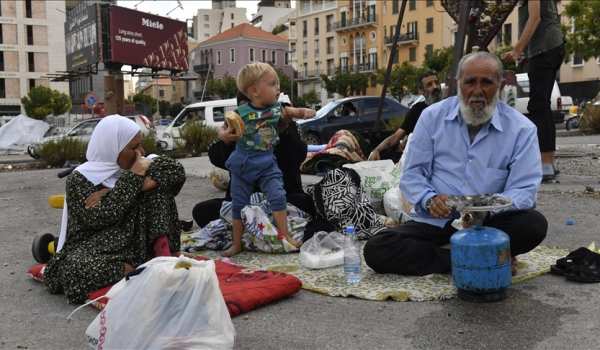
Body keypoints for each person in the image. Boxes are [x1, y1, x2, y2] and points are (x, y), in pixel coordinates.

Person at [363, 51, 548, 276]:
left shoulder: (522, 129)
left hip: (489, 223)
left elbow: (524, 190)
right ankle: (470, 259)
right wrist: (429, 200)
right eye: (470, 82)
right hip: (435, 221)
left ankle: (463, 252)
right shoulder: (431, 117)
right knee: (376, 248)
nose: (477, 91)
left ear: (499, 85)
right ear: (458, 83)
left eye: (487, 82)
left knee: (534, 225)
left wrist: (484, 211)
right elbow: (412, 175)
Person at [44, 115, 185, 304]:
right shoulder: (81, 178)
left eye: (140, 145)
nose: (141, 152)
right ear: (113, 148)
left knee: (159, 189)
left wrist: (121, 188)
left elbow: (176, 172)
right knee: (72, 269)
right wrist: (133, 178)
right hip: (101, 246)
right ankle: (130, 271)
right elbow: (102, 216)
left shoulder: (141, 163)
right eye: (133, 148)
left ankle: (163, 256)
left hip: (138, 242)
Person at [222, 62, 315, 257]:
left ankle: (284, 236)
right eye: (273, 84)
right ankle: (236, 243)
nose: (278, 88)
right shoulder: (239, 113)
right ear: (255, 91)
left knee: (278, 196)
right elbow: (223, 129)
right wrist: (224, 135)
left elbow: (292, 111)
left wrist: (304, 112)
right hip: (243, 164)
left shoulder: (276, 109)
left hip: (266, 163)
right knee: (238, 203)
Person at [503, 0, 565, 181]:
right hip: (550, 47)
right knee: (542, 105)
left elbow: (535, 17)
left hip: (544, 49)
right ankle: (548, 162)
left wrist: (517, 50)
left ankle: (546, 164)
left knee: (538, 105)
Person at [368, 70, 442, 162]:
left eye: (436, 83)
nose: (435, 87)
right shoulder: (417, 110)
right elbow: (396, 137)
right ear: (421, 91)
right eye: (429, 84)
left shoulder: (450, 106)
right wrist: (377, 150)